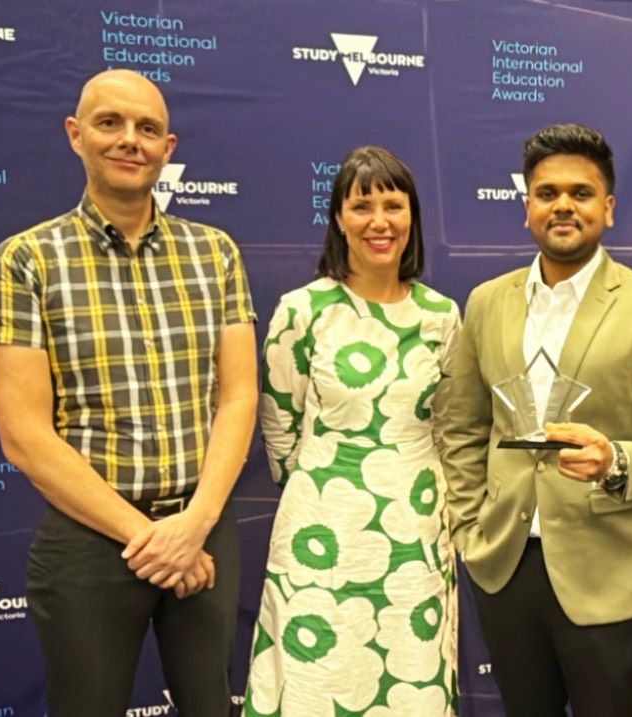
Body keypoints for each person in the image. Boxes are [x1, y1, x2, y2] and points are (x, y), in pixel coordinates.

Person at [0, 69, 257, 716]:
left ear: (169, 146)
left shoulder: (214, 253)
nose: (130, 140)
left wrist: (195, 524)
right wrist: (152, 537)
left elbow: (239, 397)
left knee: (212, 705)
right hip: (90, 539)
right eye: (110, 123)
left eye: (148, 128)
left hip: (204, 525)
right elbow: (23, 435)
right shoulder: (26, 260)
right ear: (75, 135)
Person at [437, 123, 632, 717]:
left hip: (608, 572)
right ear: (527, 209)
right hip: (505, 565)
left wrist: (616, 460)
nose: (563, 205)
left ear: (608, 208)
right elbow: (462, 426)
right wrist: (469, 526)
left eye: (581, 193)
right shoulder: (488, 302)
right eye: (547, 193)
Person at [245, 146, 460, 716]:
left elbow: (450, 426)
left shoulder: (441, 315)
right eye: (362, 205)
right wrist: (327, 488)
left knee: (411, 677)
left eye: (393, 205)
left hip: (416, 530)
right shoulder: (302, 310)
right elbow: (281, 425)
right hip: (321, 531)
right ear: (338, 217)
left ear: (412, 216)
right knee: (318, 682)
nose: (379, 221)